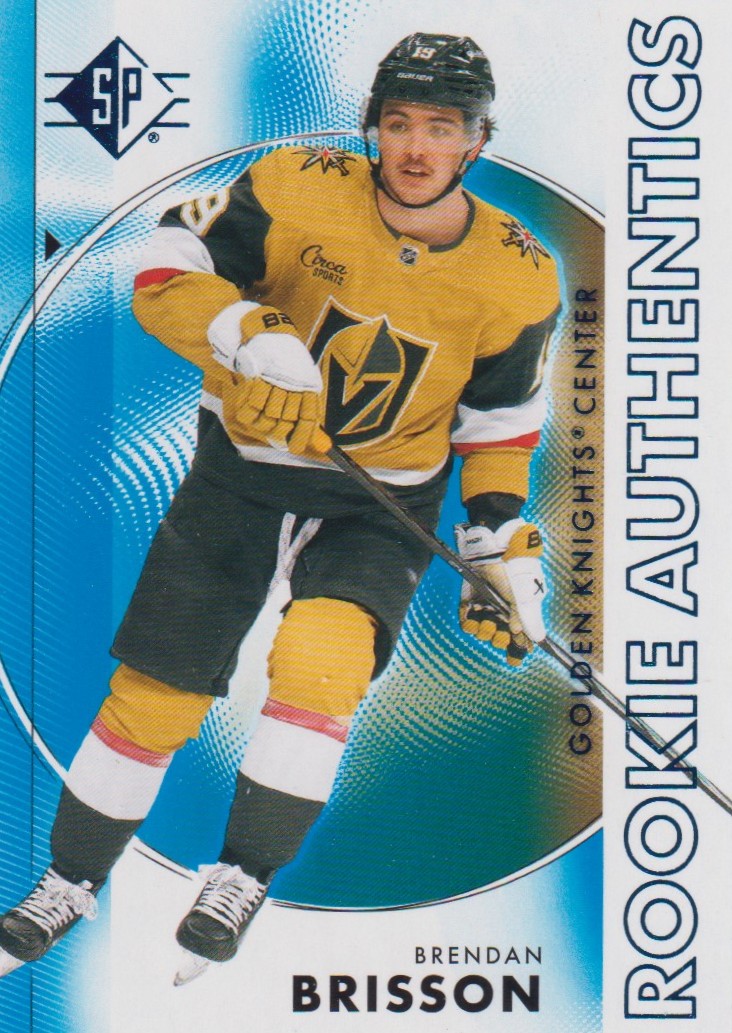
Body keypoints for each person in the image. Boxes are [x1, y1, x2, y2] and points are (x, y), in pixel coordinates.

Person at [0, 33, 560, 982]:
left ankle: (241, 876)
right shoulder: (295, 184)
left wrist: (499, 542)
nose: (416, 147)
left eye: (442, 127)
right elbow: (165, 265)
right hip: (242, 478)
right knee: (157, 692)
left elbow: (498, 426)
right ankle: (68, 879)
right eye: (398, 123)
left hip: (379, 507)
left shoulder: (521, 271)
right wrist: (246, 328)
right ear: (371, 127)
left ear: (478, 140)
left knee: (320, 668)